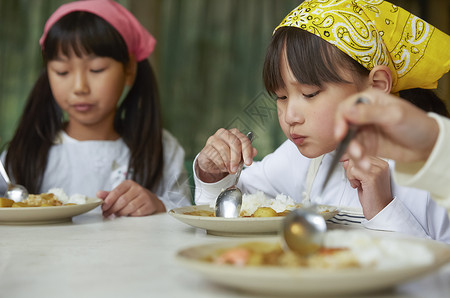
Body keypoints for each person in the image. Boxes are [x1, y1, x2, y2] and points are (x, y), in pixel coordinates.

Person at [194, 0, 450, 242]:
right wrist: (213, 173)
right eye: (281, 97)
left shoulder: (433, 172)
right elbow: (226, 211)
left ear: (375, 87)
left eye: (310, 94)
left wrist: (383, 209)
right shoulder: (301, 161)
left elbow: (440, 282)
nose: (290, 116)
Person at [0, 0, 191, 217]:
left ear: (129, 69)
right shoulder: (24, 152)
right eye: (62, 72)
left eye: (96, 69)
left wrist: (159, 206)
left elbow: (185, 217)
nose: (80, 87)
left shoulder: (161, 148)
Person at [335, 88, 450, 205]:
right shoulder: (320, 161)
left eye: (315, 94)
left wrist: (382, 208)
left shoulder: (423, 187)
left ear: (378, 84)